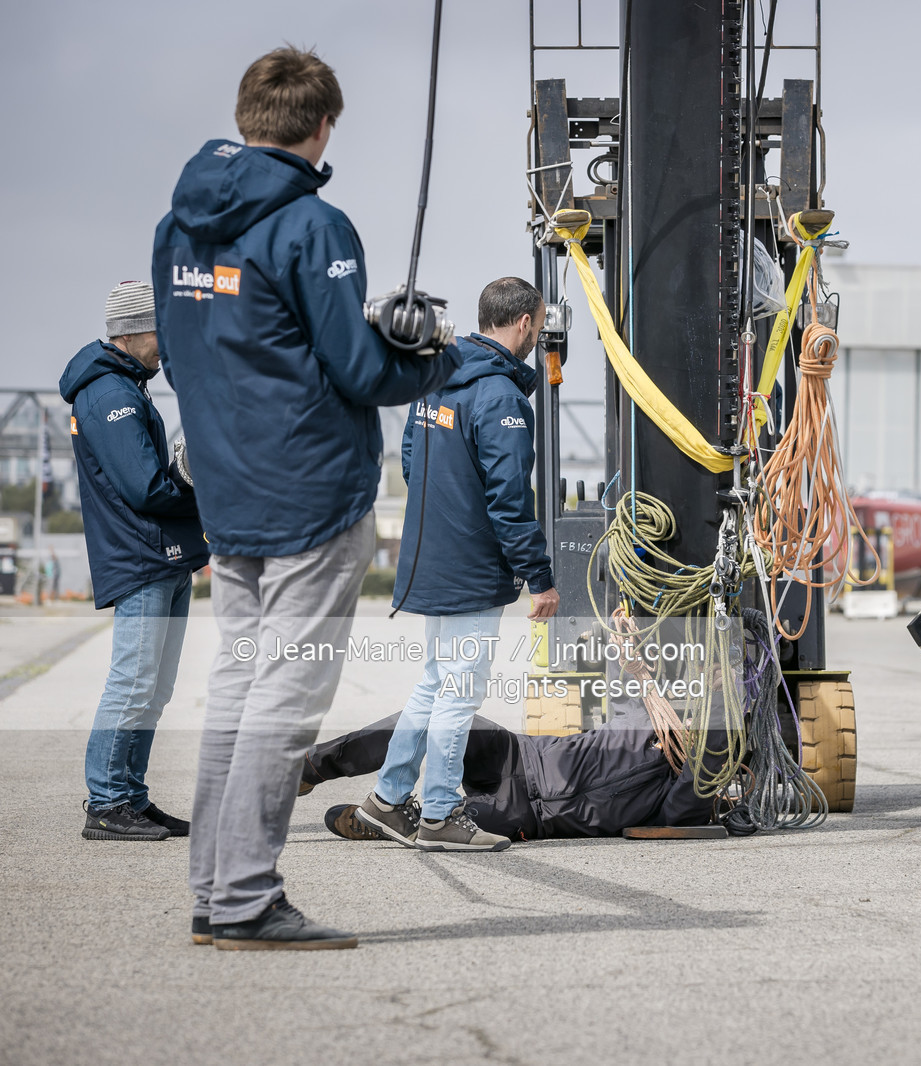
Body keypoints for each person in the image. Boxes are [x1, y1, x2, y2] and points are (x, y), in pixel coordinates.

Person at [154, 48, 457, 951]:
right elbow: (363, 371)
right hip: (311, 499)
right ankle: (247, 900)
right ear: (322, 127)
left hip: (230, 494)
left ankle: (215, 893)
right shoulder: (313, 225)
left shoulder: (177, 227)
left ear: (248, 115)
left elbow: (190, 349)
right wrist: (431, 354)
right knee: (283, 703)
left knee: (239, 693)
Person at [353, 279, 561, 852]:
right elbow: (510, 497)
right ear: (522, 324)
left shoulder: (433, 381)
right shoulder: (500, 397)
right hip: (471, 569)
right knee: (461, 690)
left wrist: (444, 523)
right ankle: (441, 814)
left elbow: (414, 463)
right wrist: (538, 577)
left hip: (431, 560)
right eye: (538, 326)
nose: (539, 336)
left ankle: (388, 801)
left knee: (433, 682)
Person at [60, 281, 208, 842]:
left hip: (162, 556)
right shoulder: (107, 393)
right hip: (141, 555)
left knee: (155, 686)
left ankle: (131, 797)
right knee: (133, 681)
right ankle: (105, 802)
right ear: (136, 329)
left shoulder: (127, 385)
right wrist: (195, 479)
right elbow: (144, 488)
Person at [301, 702, 717, 844]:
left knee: (439, 826)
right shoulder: (656, 709)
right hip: (517, 754)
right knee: (434, 715)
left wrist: (719, 733)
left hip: (525, 815)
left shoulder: (684, 796)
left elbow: (695, 792)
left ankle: (386, 821)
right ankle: (314, 765)